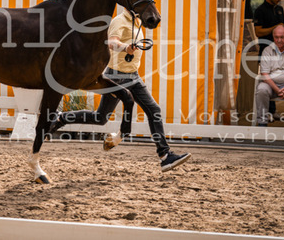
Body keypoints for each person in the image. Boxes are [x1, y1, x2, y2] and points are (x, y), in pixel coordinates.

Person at [49, 9, 191, 172]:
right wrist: (125, 48)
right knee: (101, 118)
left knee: (154, 110)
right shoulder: (119, 21)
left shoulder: (137, 22)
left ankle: (165, 156)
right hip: (116, 77)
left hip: (133, 76)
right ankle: (62, 118)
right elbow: (111, 42)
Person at [253, 0, 284, 119]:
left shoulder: (280, 9)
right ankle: (264, 112)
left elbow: (280, 29)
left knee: (276, 79)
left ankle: (272, 110)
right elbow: (258, 32)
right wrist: (275, 28)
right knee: (266, 81)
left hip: (280, 51)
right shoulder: (260, 10)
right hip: (266, 50)